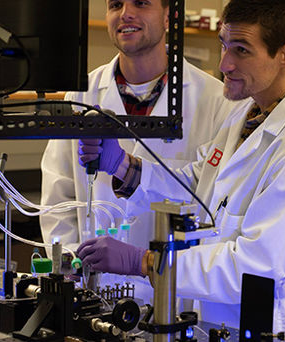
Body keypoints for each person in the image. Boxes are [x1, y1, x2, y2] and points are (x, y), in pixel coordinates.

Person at [76, 0, 285, 340]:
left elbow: (255, 267)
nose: (225, 64)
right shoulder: (250, 111)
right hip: (220, 323)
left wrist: (143, 262)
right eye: (224, 44)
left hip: (274, 329)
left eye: (242, 50)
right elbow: (199, 182)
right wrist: (124, 167)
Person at [40, 0, 236, 303]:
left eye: (141, 3)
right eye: (116, 4)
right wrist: (70, 267)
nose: (125, 13)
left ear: (170, 15)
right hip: (94, 294)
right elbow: (58, 196)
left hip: (175, 296)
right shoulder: (80, 95)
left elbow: (211, 205)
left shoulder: (215, 102)